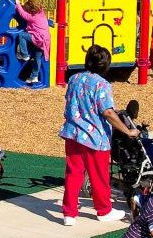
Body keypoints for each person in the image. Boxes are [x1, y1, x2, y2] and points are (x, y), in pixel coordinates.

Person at [59, 44, 140, 226]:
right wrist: (127, 131)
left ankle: (69, 213)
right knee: (99, 175)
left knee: (73, 173)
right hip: (95, 137)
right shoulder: (102, 85)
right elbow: (108, 113)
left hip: (73, 133)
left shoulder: (74, 79)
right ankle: (104, 210)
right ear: (105, 65)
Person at [10, 0, 49, 85]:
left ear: (31, 11)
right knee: (37, 57)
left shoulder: (33, 18)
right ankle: (34, 77)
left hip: (38, 38)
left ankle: (24, 54)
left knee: (22, 36)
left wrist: (18, 4)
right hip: (44, 41)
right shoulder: (41, 13)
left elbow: (23, 15)